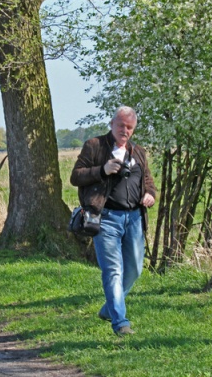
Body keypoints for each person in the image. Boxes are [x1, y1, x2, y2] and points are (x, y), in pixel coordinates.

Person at [70, 106, 156, 336]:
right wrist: (102, 170)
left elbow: (147, 180)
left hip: (135, 218)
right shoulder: (95, 146)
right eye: (121, 126)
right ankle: (120, 323)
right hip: (106, 217)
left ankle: (109, 308)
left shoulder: (138, 152)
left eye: (130, 127)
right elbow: (75, 177)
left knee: (135, 269)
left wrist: (150, 194)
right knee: (113, 270)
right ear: (112, 124)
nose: (125, 131)